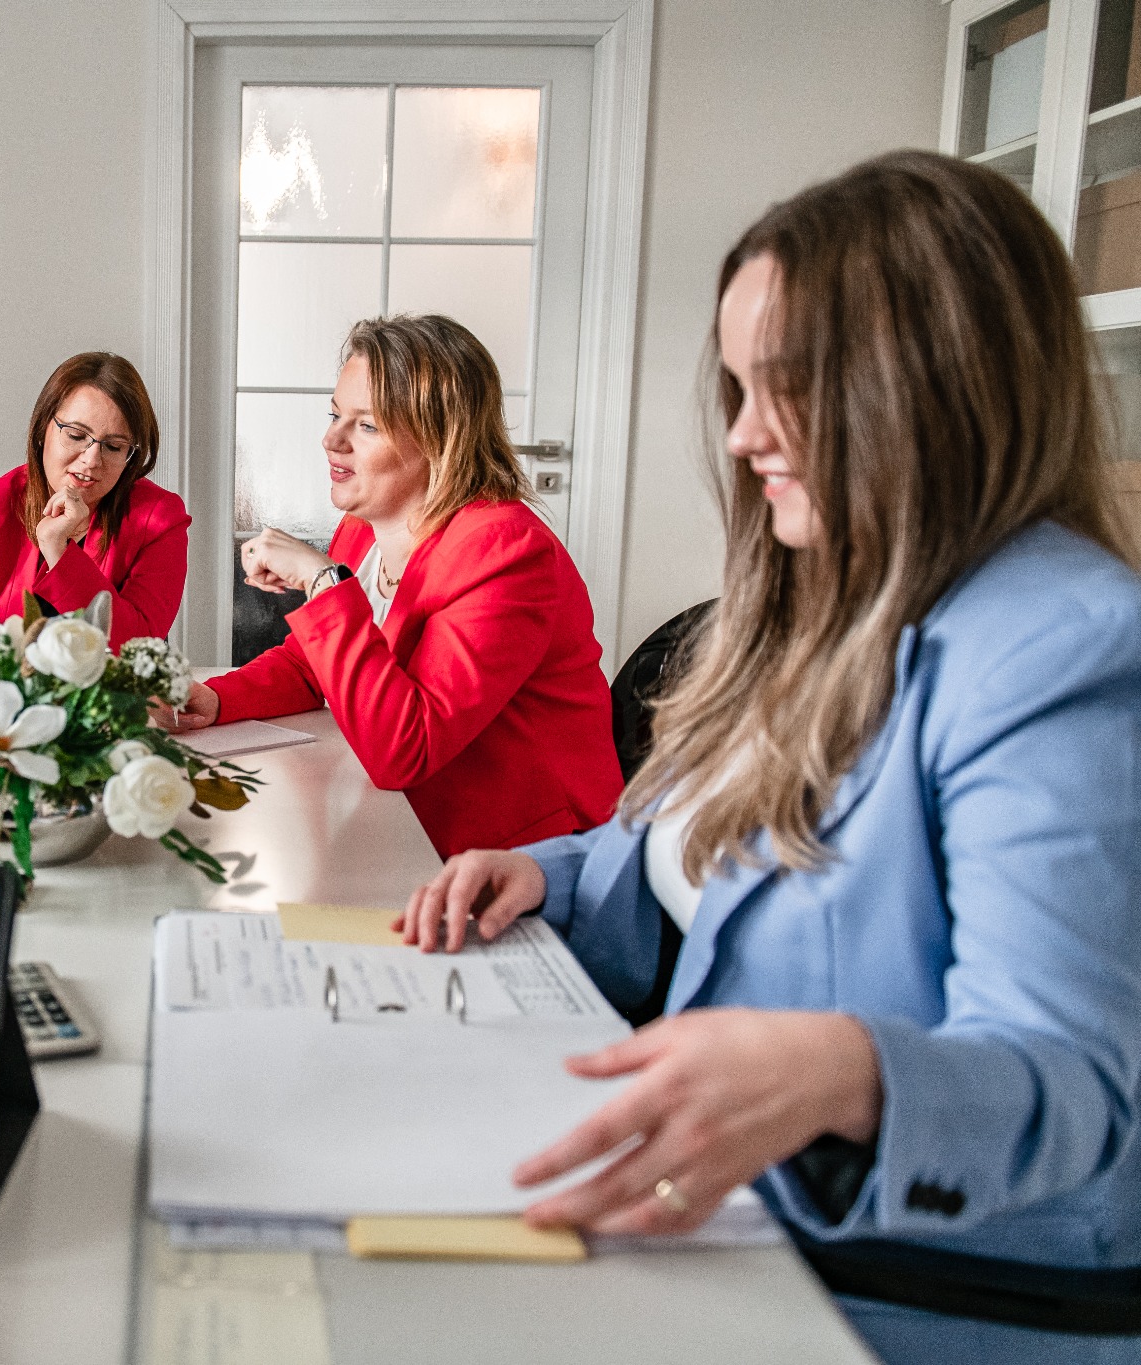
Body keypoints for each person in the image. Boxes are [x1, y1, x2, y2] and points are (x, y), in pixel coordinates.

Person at [399, 152, 1141, 1364]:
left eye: (781, 388)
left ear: (925, 382)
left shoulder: (1062, 648)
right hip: (732, 1222)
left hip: (904, 1293)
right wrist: (557, 875)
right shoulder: (815, 597)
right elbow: (707, 855)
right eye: (737, 388)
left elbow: (1067, 1087)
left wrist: (844, 1070)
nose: (742, 436)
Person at [166, 314, 621, 858]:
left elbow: (405, 749)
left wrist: (322, 582)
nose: (331, 439)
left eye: (367, 425)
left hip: (522, 859)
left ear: (439, 438)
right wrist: (215, 699)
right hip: (411, 821)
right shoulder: (364, 527)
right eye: (335, 415)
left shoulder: (507, 552)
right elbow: (315, 665)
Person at [0, 351, 189, 644]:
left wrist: (59, 552)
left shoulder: (160, 520)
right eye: (77, 436)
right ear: (44, 428)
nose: (92, 460)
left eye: (114, 447)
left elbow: (138, 645)